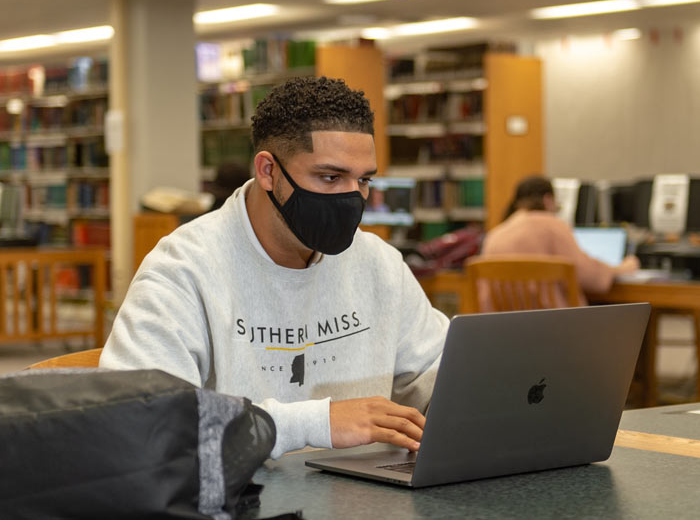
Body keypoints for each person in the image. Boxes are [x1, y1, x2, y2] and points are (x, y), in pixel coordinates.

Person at [100, 77, 449, 459]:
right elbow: (141, 422)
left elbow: (441, 377)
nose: (352, 198)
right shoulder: (182, 270)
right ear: (268, 171)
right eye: (330, 177)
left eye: (363, 180)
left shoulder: (379, 264)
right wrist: (317, 423)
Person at [480, 175, 639, 307]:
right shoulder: (554, 227)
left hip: (504, 332)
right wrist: (623, 268)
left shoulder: (494, 235)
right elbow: (589, 275)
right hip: (554, 330)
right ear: (548, 199)